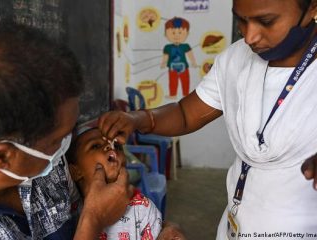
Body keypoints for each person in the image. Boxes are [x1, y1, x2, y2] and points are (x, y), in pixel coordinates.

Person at [99, 0, 317, 239]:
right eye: (241, 20)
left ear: (313, 8)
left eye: (266, 22)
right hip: (235, 226)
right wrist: (138, 118)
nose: (250, 37)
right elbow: (185, 114)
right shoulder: (236, 59)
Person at [0, 22, 132, 239]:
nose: (64, 146)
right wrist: (93, 220)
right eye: (57, 140)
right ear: (1, 157)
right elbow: (92, 216)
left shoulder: (36, 152)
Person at [66, 127, 163, 240]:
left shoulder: (142, 209)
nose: (110, 147)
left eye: (117, 146)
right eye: (96, 146)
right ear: (75, 171)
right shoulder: (68, 214)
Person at [161, 17, 197, 99]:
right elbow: (165, 56)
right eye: (173, 33)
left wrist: (193, 62)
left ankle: (186, 94)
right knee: (172, 81)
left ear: (187, 33)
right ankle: (173, 94)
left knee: (185, 81)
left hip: (184, 67)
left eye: (180, 32)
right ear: (165, 34)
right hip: (172, 68)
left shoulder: (185, 46)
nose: (176, 35)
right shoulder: (167, 47)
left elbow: (190, 54)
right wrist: (163, 63)